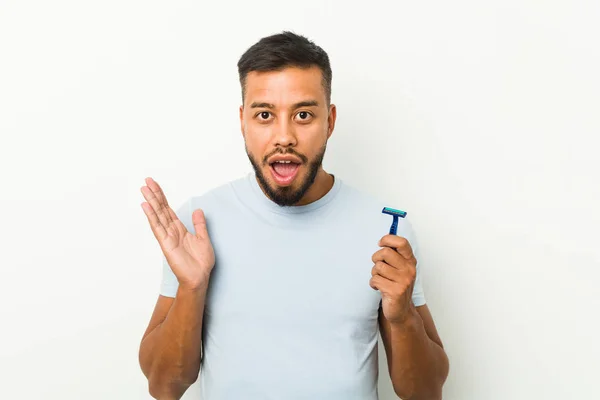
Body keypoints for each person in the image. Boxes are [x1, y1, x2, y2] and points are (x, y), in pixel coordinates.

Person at [138, 31, 449, 400]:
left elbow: (426, 393)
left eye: (303, 115)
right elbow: (163, 387)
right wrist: (192, 288)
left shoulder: (385, 230)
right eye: (265, 115)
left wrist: (401, 317)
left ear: (330, 121)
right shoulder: (199, 224)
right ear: (242, 121)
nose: (283, 136)